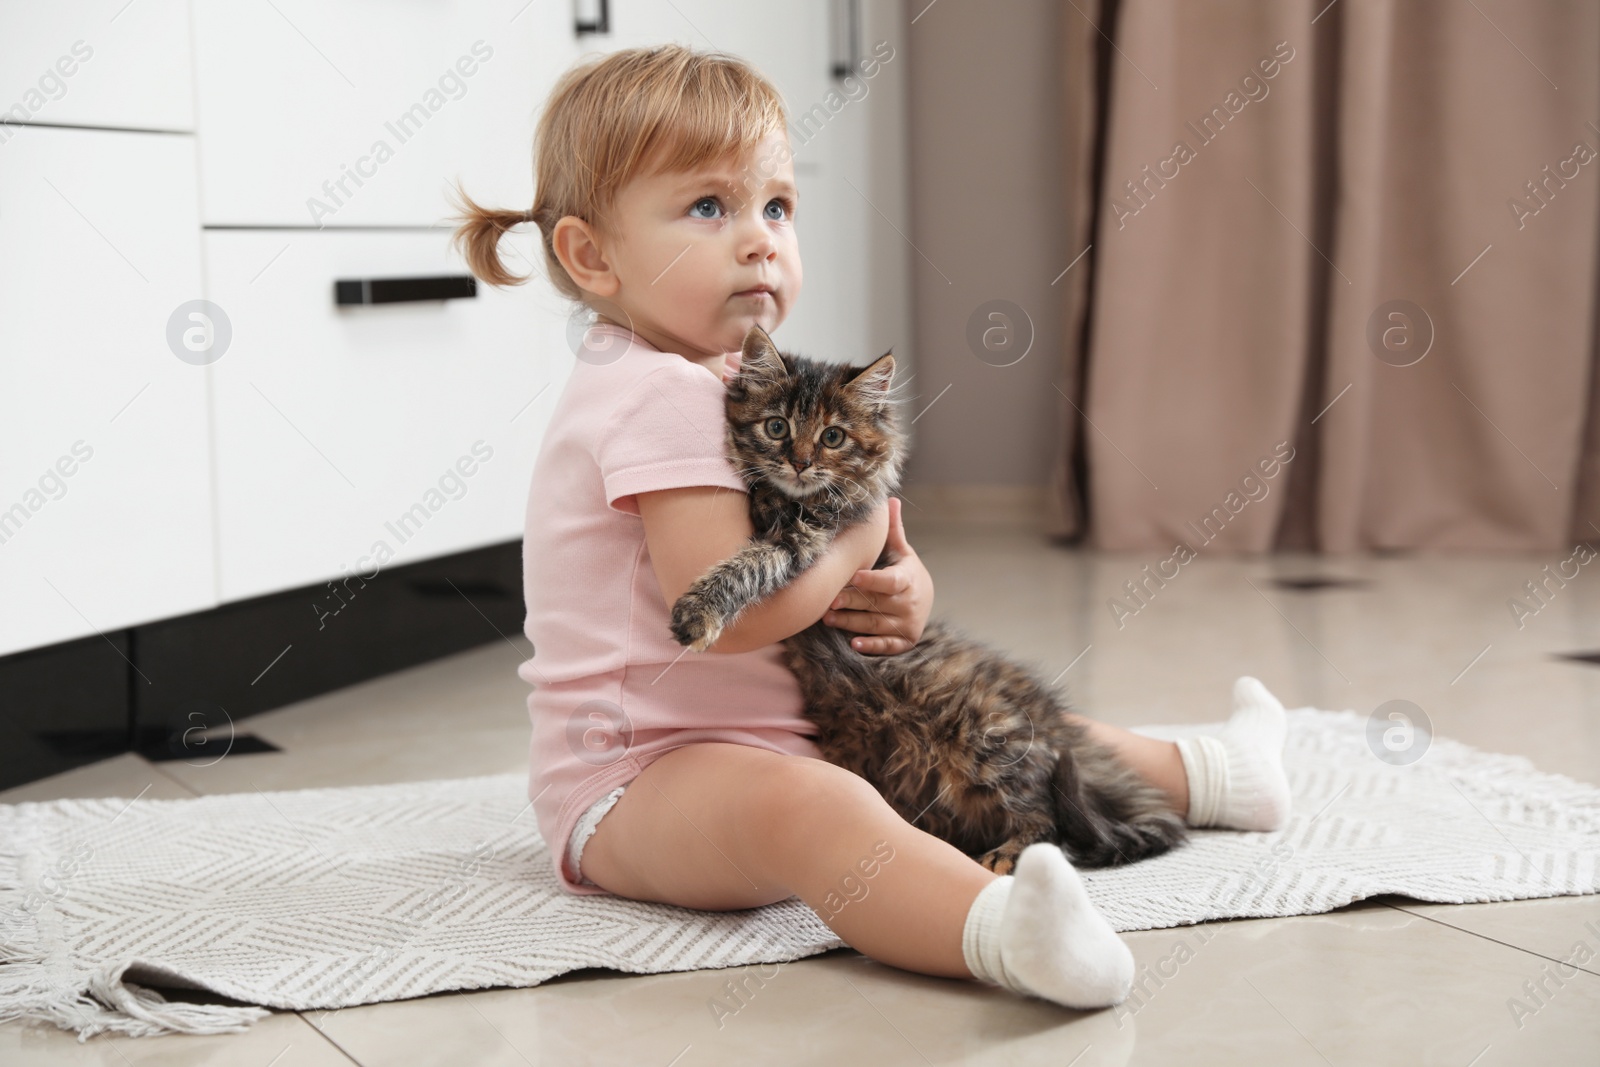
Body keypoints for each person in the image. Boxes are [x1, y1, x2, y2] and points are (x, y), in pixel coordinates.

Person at [453, 43, 1291, 1011]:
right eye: (707, 208)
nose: (761, 239)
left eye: (776, 205)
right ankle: (1000, 929)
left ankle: (1222, 773)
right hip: (638, 780)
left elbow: (824, 577)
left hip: (793, 727)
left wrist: (898, 590)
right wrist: (852, 546)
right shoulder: (653, 393)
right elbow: (726, 611)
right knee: (811, 811)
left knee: (991, 714)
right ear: (590, 254)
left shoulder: (730, 385)